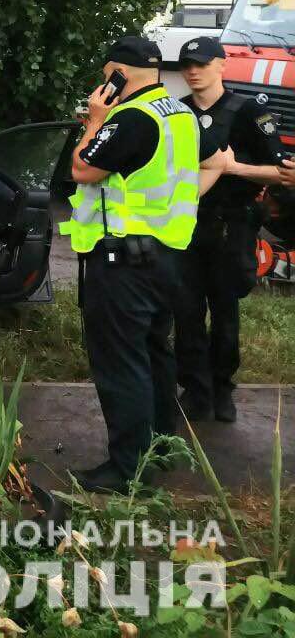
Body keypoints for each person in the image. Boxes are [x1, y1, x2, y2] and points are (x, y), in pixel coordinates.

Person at [60, 36, 225, 493]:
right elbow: (218, 162)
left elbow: (82, 169)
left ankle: (127, 469)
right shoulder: (180, 113)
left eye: (105, 75)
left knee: (122, 362)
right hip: (167, 257)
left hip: (123, 263)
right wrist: (181, 202)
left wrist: (96, 120)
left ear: (117, 74)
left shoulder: (130, 117)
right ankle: (161, 447)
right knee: (155, 354)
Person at [174, 37, 283, 423]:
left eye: (202, 63)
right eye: (187, 65)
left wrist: (235, 168)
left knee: (224, 310)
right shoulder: (178, 113)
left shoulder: (249, 112)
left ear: (222, 64)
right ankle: (194, 388)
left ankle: (222, 388)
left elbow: (283, 171)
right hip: (186, 223)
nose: (193, 71)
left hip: (231, 225)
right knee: (185, 310)